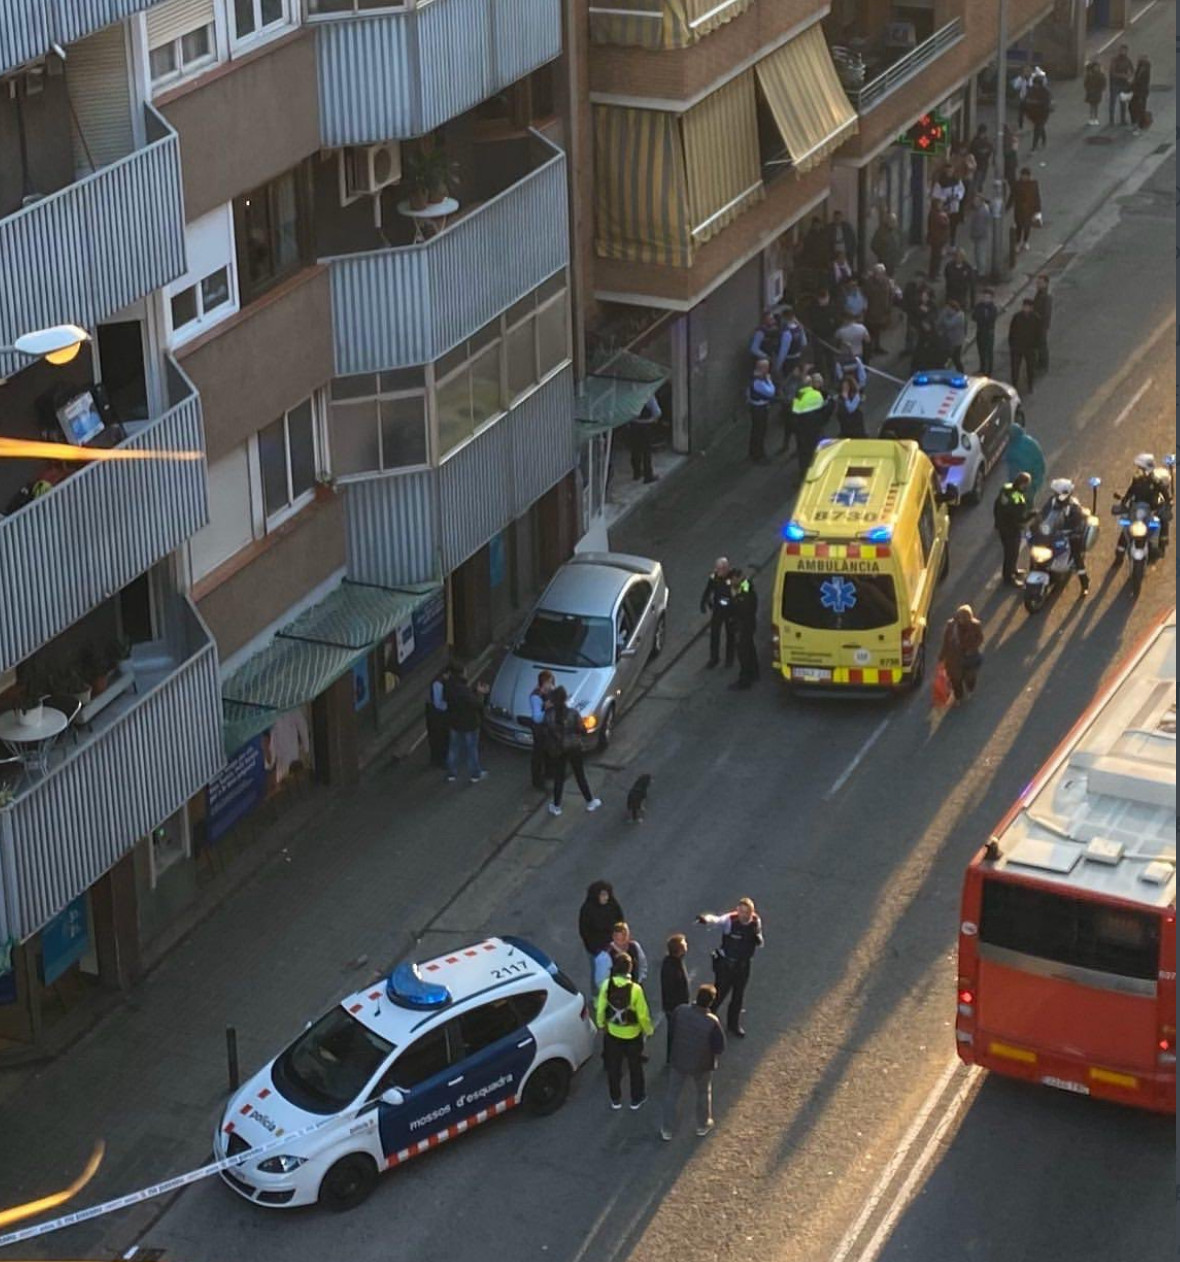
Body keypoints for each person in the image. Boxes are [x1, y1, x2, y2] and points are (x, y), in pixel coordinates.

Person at [660, 985, 726, 1141]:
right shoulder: (712, 1022)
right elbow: (720, 1047)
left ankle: (667, 1129)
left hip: (679, 1059)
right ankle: (703, 1124)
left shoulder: (681, 1010)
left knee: (672, 1094)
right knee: (703, 1093)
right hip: (701, 1065)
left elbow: (673, 1029)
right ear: (710, 1002)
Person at [697, 897, 763, 1036]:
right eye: (742, 912)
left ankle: (733, 1025)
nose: (744, 916)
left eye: (747, 913)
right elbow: (716, 920)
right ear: (738, 910)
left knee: (738, 996)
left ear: (752, 912)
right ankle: (706, 1022)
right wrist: (705, 919)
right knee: (718, 995)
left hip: (743, 966)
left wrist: (758, 939)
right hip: (727, 965)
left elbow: (759, 940)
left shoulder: (755, 922)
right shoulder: (730, 920)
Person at [596, 954, 654, 1111]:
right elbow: (642, 1014)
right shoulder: (635, 989)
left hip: (613, 1034)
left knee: (614, 1068)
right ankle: (637, 1098)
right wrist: (648, 1030)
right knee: (635, 1068)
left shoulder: (607, 985)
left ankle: (615, 1099)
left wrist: (601, 1024)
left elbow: (600, 1008)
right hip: (632, 1035)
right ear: (630, 968)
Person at [543, 686, 602, 816]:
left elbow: (546, 730)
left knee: (559, 776)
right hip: (574, 746)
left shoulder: (549, 715)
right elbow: (582, 730)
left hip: (558, 748)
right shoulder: (573, 713)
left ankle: (556, 806)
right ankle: (590, 801)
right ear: (565, 698)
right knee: (579, 774)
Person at [1037, 479, 1091, 595]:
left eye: (1058, 493)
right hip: (1053, 533)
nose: (1056, 495)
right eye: (1055, 493)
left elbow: (1077, 521)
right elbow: (1044, 514)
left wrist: (1072, 531)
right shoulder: (1051, 502)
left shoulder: (1073, 507)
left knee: (1077, 556)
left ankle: (1084, 583)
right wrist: (1038, 522)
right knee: (1037, 548)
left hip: (1068, 535)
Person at [1114, 454, 1171, 560]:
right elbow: (1130, 491)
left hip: (1150, 510)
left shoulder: (1155, 481)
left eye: (1140, 468)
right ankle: (1119, 554)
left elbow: (1164, 493)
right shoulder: (1137, 480)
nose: (1138, 470)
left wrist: (1167, 505)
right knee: (1126, 526)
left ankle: (1160, 546)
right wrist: (1123, 502)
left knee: (1161, 522)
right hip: (1135, 509)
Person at [443, 664, 489, 783]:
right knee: (472, 749)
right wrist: (480, 694)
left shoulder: (448, 686)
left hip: (454, 723)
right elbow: (476, 704)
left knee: (453, 748)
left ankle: (451, 773)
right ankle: (475, 774)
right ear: (462, 673)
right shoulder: (463, 689)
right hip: (469, 724)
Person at [579, 881, 625, 994]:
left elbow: (620, 920)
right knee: (597, 971)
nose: (606, 898)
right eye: (602, 895)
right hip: (596, 948)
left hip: (613, 944)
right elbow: (585, 931)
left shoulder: (612, 905)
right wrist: (595, 949)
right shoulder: (587, 910)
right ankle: (597, 994)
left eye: (607, 894)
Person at [938, 605, 985, 705]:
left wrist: (971, 648)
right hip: (954, 658)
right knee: (955, 680)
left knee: (970, 677)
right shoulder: (951, 626)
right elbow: (946, 642)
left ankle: (970, 689)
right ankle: (958, 697)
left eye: (965, 618)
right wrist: (942, 656)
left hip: (969, 657)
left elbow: (980, 639)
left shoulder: (975, 625)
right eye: (960, 618)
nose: (962, 620)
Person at [993, 472, 1033, 586]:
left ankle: (1013, 570)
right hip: (1011, 529)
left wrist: (997, 522)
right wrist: (1032, 514)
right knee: (1011, 553)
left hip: (1002, 525)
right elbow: (1020, 518)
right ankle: (1009, 578)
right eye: (1027, 485)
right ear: (1023, 484)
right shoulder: (1017, 499)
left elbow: (996, 505)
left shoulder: (1006, 488)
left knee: (1011, 551)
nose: (1027, 488)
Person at [660, 934, 690, 1065]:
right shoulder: (672, 968)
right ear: (680, 950)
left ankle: (674, 1056)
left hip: (674, 1006)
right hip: (675, 1007)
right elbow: (673, 990)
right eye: (684, 944)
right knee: (676, 1033)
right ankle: (673, 1058)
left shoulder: (672, 961)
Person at [700, 557, 735, 668]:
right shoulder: (714, 577)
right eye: (717, 568)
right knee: (714, 634)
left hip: (730, 611)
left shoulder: (734, 577)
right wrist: (703, 603)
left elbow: (739, 594)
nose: (717, 571)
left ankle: (729, 659)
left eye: (719, 569)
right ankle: (714, 658)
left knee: (731, 635)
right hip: (718, 610)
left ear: (726, 569)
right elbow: (708, 589)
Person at [728, 570, 759, 690]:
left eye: (733, 580)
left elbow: (743, 607)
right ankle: (754, 673)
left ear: (739, 578)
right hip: (747, 625)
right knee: (750, 649)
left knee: (743, 653)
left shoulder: (745, 590)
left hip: (744, 626)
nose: (731, 583)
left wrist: (734, 599)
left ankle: (745, 680)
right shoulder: (745, 586)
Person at [793, 374, 829, 474]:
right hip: (815, 427)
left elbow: (795, 411)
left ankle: (804, 472)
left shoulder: (799, 395)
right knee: (817, 449)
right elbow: (824, 409)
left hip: (802, 428)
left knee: (804, 453)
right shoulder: (817, 394)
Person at [806, 287, 841, 382]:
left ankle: (833, 380)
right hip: (818, 338)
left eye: (825, 298)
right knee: (819, 361)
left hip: (830, 337)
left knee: (831, 360)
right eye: (821, 299)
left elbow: (838, 321)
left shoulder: (833, 308)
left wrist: (832, 328)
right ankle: (821, 380)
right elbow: (811, 321)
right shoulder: (813, 308)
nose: (823, 301)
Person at [527, 669, 555, 789]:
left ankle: (549, 773)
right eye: (550, 682)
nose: (552, 685)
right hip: (539, 729)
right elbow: (537, 718)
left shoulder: (549, 692)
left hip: (548, 727)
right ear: (544, 683)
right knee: (538, 754)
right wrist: (546, 708)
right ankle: (537, 781)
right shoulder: (535, 697)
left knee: (549, 751)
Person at [1007, 298, 1042, 394]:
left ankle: (1030, 385)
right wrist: (1011, 344)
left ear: (1031, 308)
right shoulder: (1017, 317)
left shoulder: (1036, 318)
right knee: (1015, 368)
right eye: (1024, 306)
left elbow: (1039, 334)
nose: (1025, 308)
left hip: (1030, 347)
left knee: (1030, 368)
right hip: (1017, 346)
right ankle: (1014, 385)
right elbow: (1012, 331)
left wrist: (1036, 346)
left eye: (1027, 307)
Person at [1005, 422, 1046, 497]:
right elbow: (1040, 457)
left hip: (1021, 482)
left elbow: (1011, 465)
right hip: (1033, 479)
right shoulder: (1031, 442)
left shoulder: (1013, 447)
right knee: (1028, 499)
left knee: (1020, 501)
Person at [746, 359, 775, 464]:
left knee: (755, 430)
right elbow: (770, 392)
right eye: (766, 367)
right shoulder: (758, 381)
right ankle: (759, 455)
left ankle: (752, 452)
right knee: (760, 431)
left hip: (756, 407)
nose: (768, 369)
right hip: (759, 409)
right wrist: (769, 381)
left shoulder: (754, 378)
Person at [424, 663, 452, 769]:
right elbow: (439, 703)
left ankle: (438, 759)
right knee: (440, 739)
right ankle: (439, 759)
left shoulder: (440, 684)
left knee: (440, 739)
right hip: (439, 715)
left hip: (438, 715)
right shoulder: (438, 685)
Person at [776, 307, 809, 395]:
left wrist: (778, 365)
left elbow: (783, 351)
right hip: (798, 358)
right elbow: (804, 343)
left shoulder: (786, 332)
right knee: (796, 380)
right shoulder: (799, 328)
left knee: (788, 382)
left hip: (788, 360)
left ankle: (789, 400)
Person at [629, 394, 660, 484]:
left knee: (635, 450)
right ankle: (648, 475)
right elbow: (657, 412)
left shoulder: (631, 396)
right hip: (645, 426)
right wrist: (653, 420)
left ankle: (636, 473)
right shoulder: (648, 395)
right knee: (646, 451)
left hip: (633, 425)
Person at [863, 264, 894, 355]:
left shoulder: (887, 282)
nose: (879, 276)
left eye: (881, 274)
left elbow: (890, 294)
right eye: (877, 274)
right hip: (871, 311)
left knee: (878, 331)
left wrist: (889, 306)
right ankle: (869, 350)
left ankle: (877, 346)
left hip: (883, 310)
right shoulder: (869, 283)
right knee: (871, 331)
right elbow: (865, 295)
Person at [931, 166, 966, 245]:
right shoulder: (941, 182)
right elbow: (936, 195)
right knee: (944, 225)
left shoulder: (957, 180)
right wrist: (944, 199)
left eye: (951, 171)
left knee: (954, 224)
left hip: (954, 207)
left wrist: (957, 196)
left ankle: (952, 242)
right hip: (944, 207)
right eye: (948, 171)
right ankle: (944, 242)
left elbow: (961, 190)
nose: (949, 173)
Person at [1011, 168, 1042, 253]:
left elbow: (1037, 197)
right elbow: (1012, 195)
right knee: (1019, 227)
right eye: (1023, 175)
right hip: (1019, 210)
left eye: (1026, 176)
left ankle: (1025, 241)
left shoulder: (1033, 184)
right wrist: (1008, 206)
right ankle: (1018, 242)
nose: (1024, 177)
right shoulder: (1017, 184)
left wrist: (1038, 210)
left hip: (1029, 210)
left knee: (1027, 227)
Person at [972, 286, 999, 376]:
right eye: (984, 296)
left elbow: (990, 319)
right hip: (980, 331)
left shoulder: (993, 308)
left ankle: (989, 371)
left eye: (987, 297)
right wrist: (982, 318)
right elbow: (974, 316)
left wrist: (982, 318)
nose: (985, 299)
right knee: (981, 351)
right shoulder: (979, 306)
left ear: (991, 298)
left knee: (988, 352)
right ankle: (982, 368)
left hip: (988, 333)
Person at [937, 300, 967, 373]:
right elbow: (939, 323)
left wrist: (943, 315)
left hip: (956, 342)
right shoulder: (951, 315)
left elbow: (949, 324)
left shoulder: (959, 316)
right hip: (951, 341)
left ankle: (961, 372)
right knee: (953, 358)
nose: (948, 311)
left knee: (956, 359)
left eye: (949, 310)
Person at [1031, 273, 1052, 374]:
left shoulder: (1046, 297)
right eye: (1037, 283)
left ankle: (1043, 364)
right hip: (1036, 324)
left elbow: (1046, 313)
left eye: (1040, 283)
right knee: (1038, 344)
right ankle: (1039, 362)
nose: (1038, 285)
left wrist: (1039, 320)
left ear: (1046, 284)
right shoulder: (1039, 294)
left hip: (1041, 325)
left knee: (1042, 344)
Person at [1108, 44, 1134, 127]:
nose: (1122, 52)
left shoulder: (1128, 60)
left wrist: (1129, 76)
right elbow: (1112, 72)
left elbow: (1132, 70)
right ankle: (1111, 120)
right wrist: (1122, 76)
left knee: (1123, 102)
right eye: (1121, 50)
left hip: (1124, 84)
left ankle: (1122, 119)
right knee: (1113, 102)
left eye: (1124, 50)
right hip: (1115, 84)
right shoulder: (1115, 60)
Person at [870, 212, 902, 276]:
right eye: (893, 222)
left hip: (893, 262)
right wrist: (882, 254)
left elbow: (898, 245)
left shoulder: (895, 232)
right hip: (884, 261)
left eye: (895, 222)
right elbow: (874, 245)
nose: (895, 224)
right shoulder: (881, 232)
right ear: (888, 222)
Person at [1025, 73, 1052, 151]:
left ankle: (1034, 146)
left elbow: (1046, 103)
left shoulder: (1046, 92)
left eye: (1036, 84)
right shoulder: (1031, 90)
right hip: (1034, 113)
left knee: (1037, 128)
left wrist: (1034, 102)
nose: (1035, 86)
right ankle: (1044, 138)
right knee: (1039, 127)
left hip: (1043, 113)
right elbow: (1027, 98)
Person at [966, 194, 991, 277]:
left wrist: (974, 235)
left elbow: (979, 226)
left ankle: (981, 272)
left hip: (980, 236)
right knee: (978, 253)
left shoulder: (981, 212)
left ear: (980, 201)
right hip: (980, 236)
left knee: (980, 254)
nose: (974, 203)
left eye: (976, 201)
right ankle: (979, 268)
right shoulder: (981, 209)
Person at [836, 373, 866, 438]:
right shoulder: (839, 397)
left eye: (847, 386)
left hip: (856, 427)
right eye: (844, 386)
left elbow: (851, 408)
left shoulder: (856, 396)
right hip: (845, 427)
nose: (845, 388)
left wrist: (846, 398)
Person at [926, 196, 950, 276]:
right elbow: (944, 224)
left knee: (937, 257)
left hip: (938, 239)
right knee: (936, 257)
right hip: (937, 239)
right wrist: (946, 217)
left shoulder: (935, 213)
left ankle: (935, 272)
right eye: (940, 204)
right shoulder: (935, 214)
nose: (941, 206)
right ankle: (933, 274)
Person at [1129, 55, 1151, 134]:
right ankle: (1135, 124)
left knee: (1139, 109)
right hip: (1137, 92)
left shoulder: (1145, 71)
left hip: (1141, 93)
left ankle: (1139, 126)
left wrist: (1133, 84)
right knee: (1132, 107)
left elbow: (1141, 82)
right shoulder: (1139, 70)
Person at [969, 124, 994, 191]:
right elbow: (972, 152)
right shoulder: (975, 142)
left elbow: (990, 150)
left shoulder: (986, 141)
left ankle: (978, 188)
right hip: (978, 164)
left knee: (982, 178)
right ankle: (975, 192)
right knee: (977, 180)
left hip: (984, 164)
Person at [1083, 60, 1106, 127]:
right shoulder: (1091, 75)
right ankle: (1091, 118)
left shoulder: (1099, 75)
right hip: (1092, 92)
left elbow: (1103, 83)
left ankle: (1095, 118)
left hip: (1096, 92)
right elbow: (1086, 83)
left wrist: (1101, 89)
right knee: (1092, 105)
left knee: (1095, 106)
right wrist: (1088, 89)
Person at [1012, 64, 1034, 129]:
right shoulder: (1020, 79)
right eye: (1026, 71)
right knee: (1021, 114)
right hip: (1023, 99)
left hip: (1032, 100)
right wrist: (1021, 79)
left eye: (1029, 71)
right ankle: (1020, 126)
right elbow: (1015, 86)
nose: (1027, 72)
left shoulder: (1034, 79)